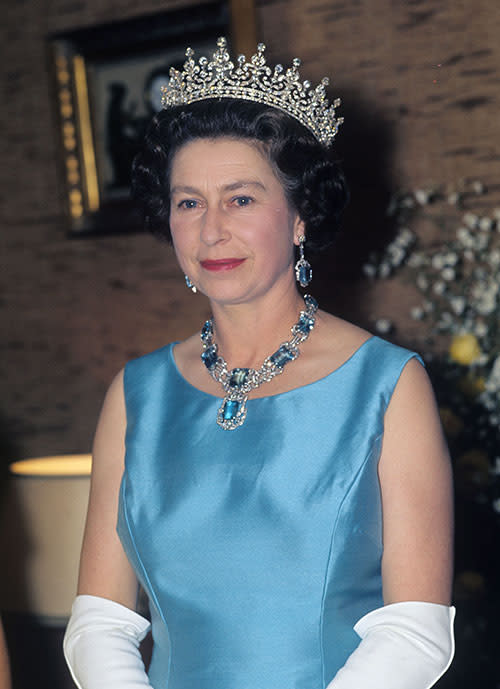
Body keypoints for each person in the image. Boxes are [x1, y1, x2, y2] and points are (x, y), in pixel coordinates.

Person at [63, 38, 455, 689]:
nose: (212, 229)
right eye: (189, 202)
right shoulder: (136, 395)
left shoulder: (387, 384)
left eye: (241, 198)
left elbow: (414, 631)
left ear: (300, 217)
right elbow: (99, 621)